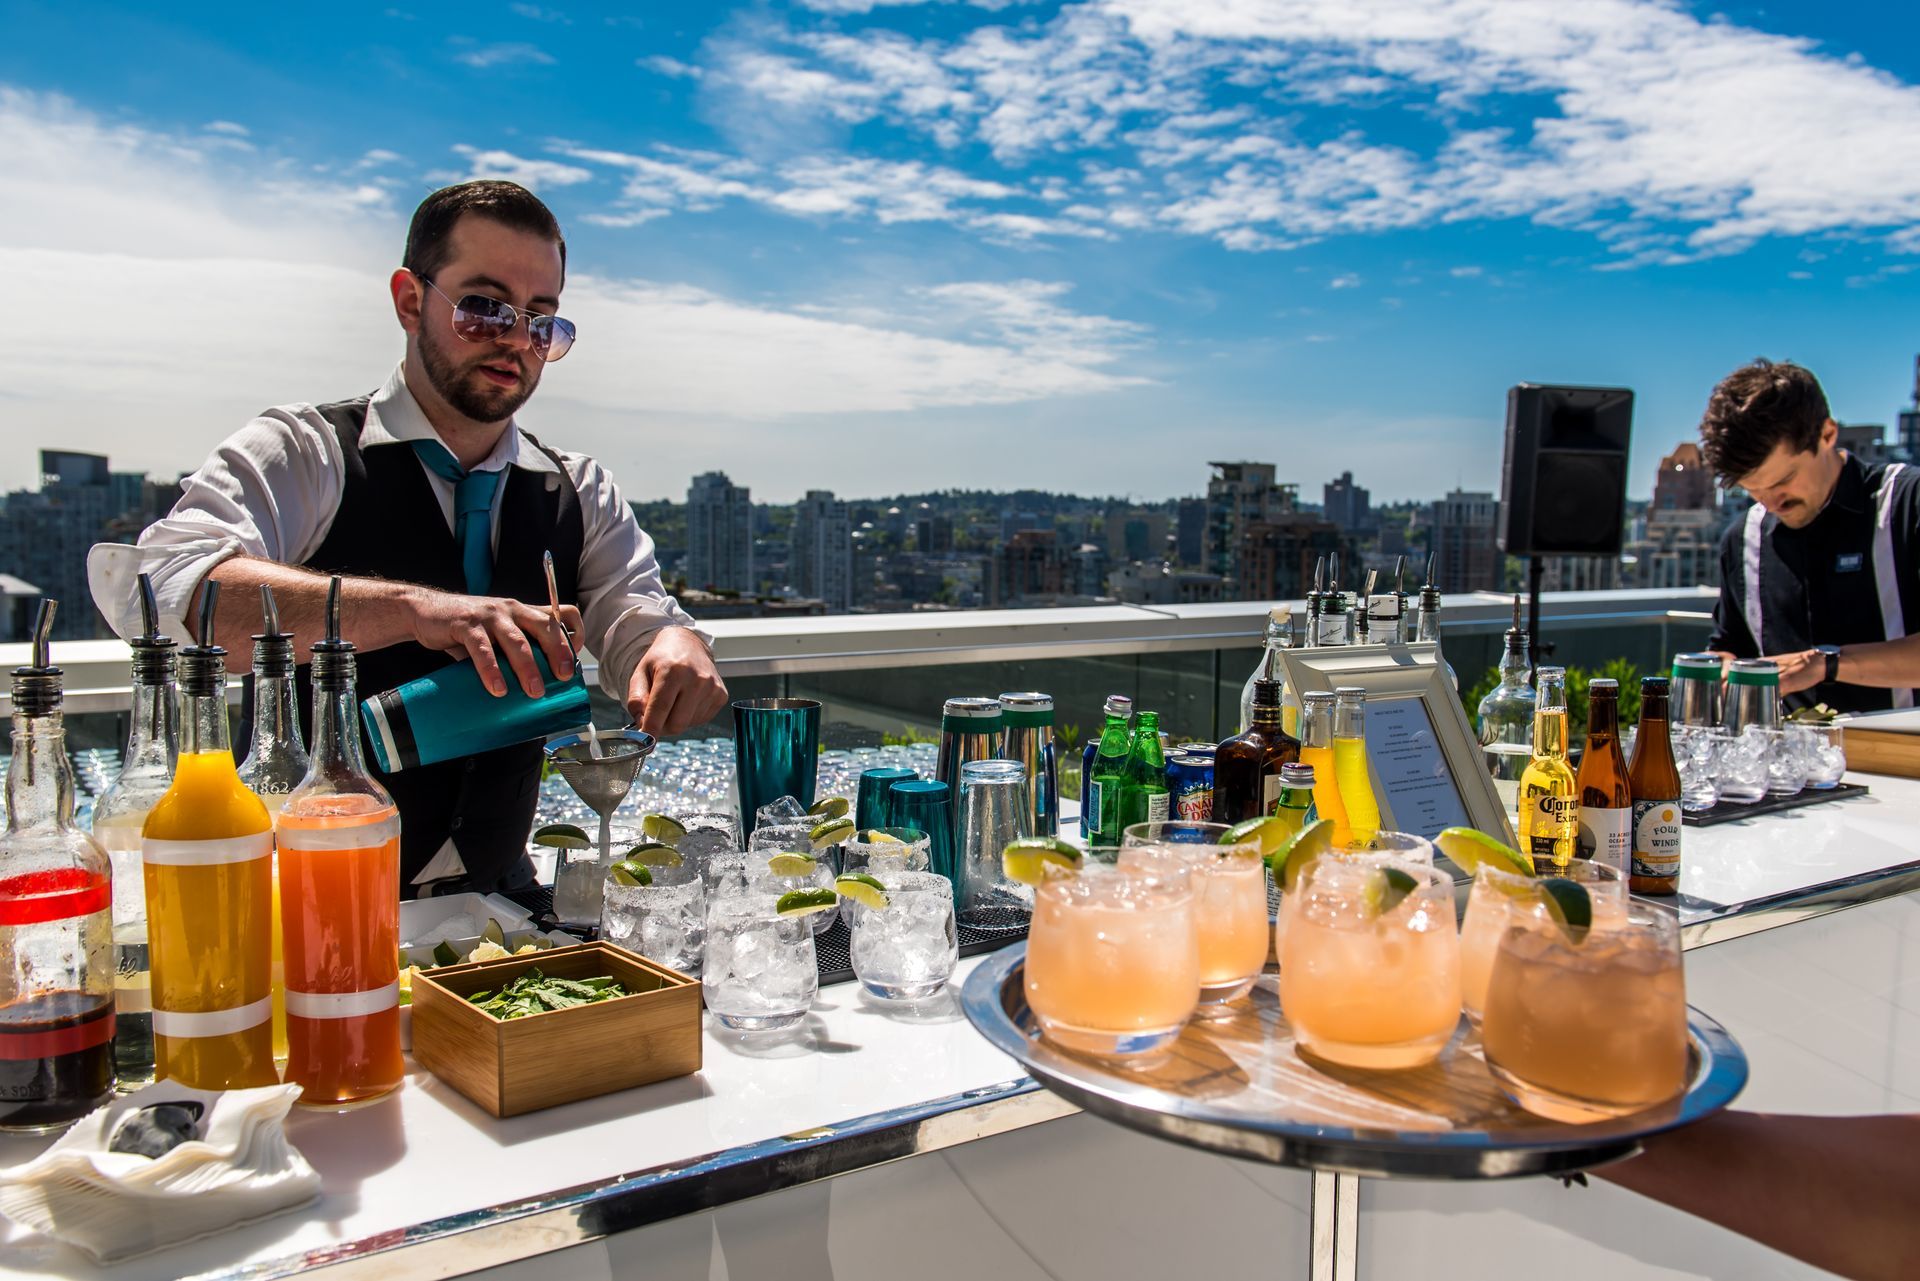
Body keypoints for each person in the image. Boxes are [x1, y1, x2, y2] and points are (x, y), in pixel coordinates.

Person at [88, 180, 729, 895]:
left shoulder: (578, 490)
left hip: (499, 909)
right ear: (409, 300)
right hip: (304, 908)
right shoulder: (307, 452)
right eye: (485, 308)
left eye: (541, 321)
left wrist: (674, 647)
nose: (516, 339)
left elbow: (638, 618)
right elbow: (164, 592)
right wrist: (411, 610)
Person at [1700, 358, 1920, 713]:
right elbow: (1729, 645)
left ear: (1827, 434)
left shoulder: (1907, 503)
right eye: (1753, 491)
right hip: (1778, 761)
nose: (1771, 502)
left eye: (1782, 481)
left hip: (1902, 759)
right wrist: (1719, 668)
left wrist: (1825, 664)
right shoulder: (1742, 539)